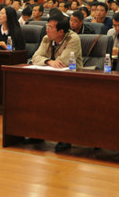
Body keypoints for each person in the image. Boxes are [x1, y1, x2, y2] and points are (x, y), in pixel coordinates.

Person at [31, 14, 83, 153]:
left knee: (63, 100)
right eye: (47, 26)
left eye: (50, 27)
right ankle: (37, 133)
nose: (46, 30)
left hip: (73, 79)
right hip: (51, 77)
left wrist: (50, 62)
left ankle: (64, 137)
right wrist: (48, 61)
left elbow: (63, 62)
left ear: (60, 32)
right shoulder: (46, 38)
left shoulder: (73, 39)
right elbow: (35, 57)